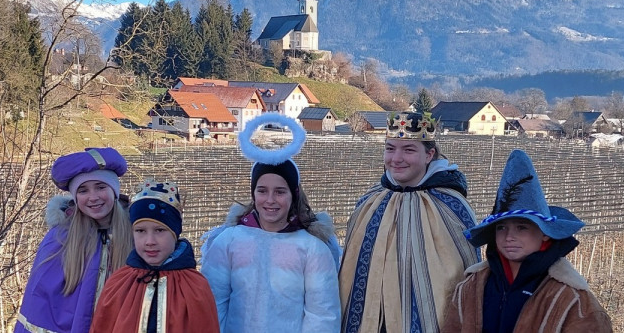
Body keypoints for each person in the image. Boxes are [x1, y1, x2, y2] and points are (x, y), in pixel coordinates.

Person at [339, 111, 480, 333]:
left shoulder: (452, 206)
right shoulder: (370, 201)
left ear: (429, 154)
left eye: (409, 149)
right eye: (390, 148)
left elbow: (466, 276)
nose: (396, 158)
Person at [200, 112, 341, 333]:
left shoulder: (312, 248)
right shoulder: (228, 241)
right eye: (262, 191)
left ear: (293, 195)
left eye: (280, 192)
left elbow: (322, 315)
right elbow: (213, 303)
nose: (270, 200)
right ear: (253, 193)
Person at [443, 149, 613, 332]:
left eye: (522, 227)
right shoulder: (471, 287)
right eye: (501, 227)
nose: (509, 236)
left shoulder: (572, 300)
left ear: (545, 233)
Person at [15, 147, 133, 333]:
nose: (93, 197)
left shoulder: (136, 234)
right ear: (75, 197)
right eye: (83, 190)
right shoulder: (60, 238)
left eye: (101, 187)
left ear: (115, 191)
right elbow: (40, 302)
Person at [89, 179, 220, 333]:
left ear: (175, 233)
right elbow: (101, 327)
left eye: (159, 230)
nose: (150, 241)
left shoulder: (195, 286)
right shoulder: (119, 282)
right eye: (140, 231)